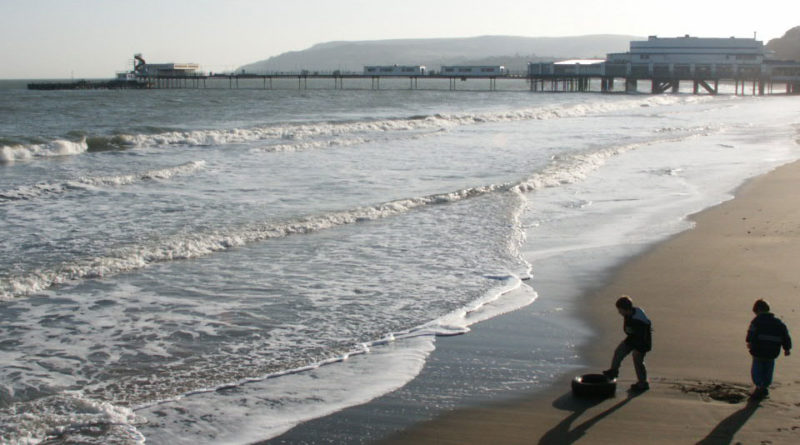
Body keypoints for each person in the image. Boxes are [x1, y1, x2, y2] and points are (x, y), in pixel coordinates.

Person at [603, 295, 652, 391]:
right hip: (632, 338)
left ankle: (643, 383)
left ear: (625, 309)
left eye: (620, 310)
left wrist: (636, 347)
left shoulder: (639, 321)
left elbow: (642, 335)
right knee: (618, 352)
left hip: (642, 342)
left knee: (637, 360)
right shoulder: (629, 313)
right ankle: (613, 371)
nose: (619, 312)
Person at [746, 299, 792, 399]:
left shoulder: (756, 321)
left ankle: (759, 386)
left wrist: (749, 341)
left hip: (758, 350)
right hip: (772, 351)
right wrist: (787, 348)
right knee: (768, 368)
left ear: (757, 310)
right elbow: (785, 336)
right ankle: (765, 386)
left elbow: (751, 333)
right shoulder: (778, 322)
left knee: (757, 368)